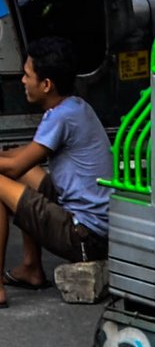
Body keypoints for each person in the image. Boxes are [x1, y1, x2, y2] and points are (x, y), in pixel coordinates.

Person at [0, 38, 111, 307]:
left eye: (27, 76)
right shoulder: (74, 106)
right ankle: (31, 267)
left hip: (84, 236)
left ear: (46, 84)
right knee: (24, 172)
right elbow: (22, 157)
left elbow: (15, 166)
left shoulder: (60, 117)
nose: (23, 81)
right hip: (97, 228)